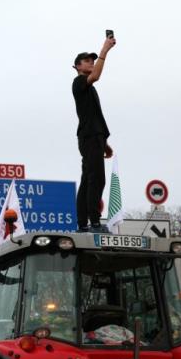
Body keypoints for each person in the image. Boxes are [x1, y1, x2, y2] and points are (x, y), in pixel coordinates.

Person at [72, 34, 116, 233]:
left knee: (88, 178)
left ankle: (83, 222)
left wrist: (104, 143)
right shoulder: (79, 82)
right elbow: (96, 75)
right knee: (96, 178)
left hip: (94, 137)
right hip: (89, 138)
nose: (91, 63)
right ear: (77, 67)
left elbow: (95, 116)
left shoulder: (90, 90)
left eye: (93, 60)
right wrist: (104, 51)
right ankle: (94, 222)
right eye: (87, 61)